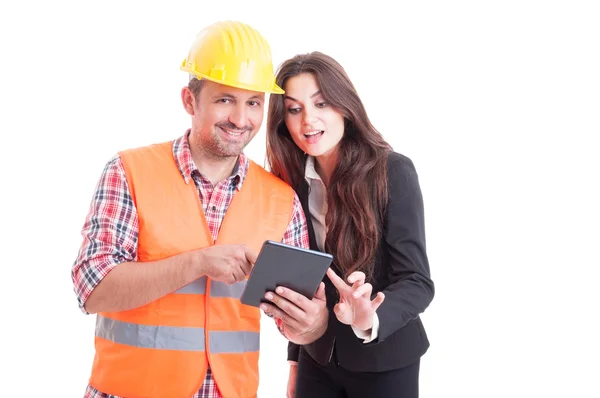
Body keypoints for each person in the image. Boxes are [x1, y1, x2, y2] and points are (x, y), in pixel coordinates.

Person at [71, 21, 326, 398]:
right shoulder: (129, 172)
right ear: (190, 101)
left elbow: (297, 324)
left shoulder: (280, 199)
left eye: (253, 102)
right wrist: (198, 263)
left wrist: (314, 321)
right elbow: (91, 290)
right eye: (225, 99)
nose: (241, 120)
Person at [261, 51, 435, 398]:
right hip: (318, 357)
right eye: (294, 109)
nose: (308, 120)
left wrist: (369, 318)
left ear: (344, 106)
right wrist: (295, 361)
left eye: (321, 103)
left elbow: (417, 281)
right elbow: (302, 281)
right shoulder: (290, 183)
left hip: (385, 360)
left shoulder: (392, 172)